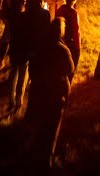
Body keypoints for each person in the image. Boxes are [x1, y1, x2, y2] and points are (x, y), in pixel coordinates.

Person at [28, 17, 74, 173]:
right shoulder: (63, 50)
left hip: (39, 92)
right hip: (55, 95)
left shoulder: (40, 46)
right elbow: (70, 69)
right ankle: (46, 160)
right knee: (52, 129)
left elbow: (32, 68)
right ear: (61, 32)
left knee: (40, 125)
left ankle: (35, 155)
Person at [55, 0, 82, 69]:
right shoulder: (73, 13)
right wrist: (78, 48)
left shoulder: (61, 9)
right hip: (70, 44)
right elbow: (76, 31)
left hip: (60, 41)